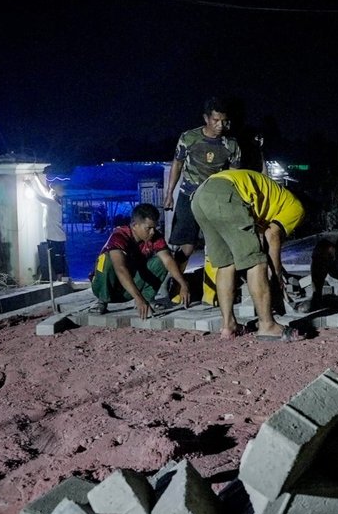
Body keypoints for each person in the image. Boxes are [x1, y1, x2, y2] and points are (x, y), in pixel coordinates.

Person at [190, 167, 305, 341]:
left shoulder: (273, 197)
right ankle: (267, 326)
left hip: (200, 196)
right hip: (225, 194)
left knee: (226, 263)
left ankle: (228, 325)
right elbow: (272, 235)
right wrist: (277, 278)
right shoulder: (296, 207)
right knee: (256, 261)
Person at [163, 97, 241, 307]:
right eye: (216, 120)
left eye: (224, 121)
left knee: (215, 246)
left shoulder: (231, 144)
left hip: (214, 198)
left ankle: (212, 294)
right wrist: (169, 194)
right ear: (206, 118)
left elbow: (234, 176)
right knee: (186, 247)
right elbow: (177, 164)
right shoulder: (189, 138)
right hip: (188, 196)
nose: (220, 125)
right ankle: (176, 290)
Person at [90, 203, 194, 320]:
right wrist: (138, 298)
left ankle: (147, 299)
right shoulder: (119, 235)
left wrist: (183, 284)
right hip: (109, 287)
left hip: (130, 289)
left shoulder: (154, 237)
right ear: (134, 225)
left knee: (161, 261)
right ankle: (102, 300)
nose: (152, 232)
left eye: (154, 228)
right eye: (148, 228)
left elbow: (168, 260)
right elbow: (120, 269)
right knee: (107, 259)